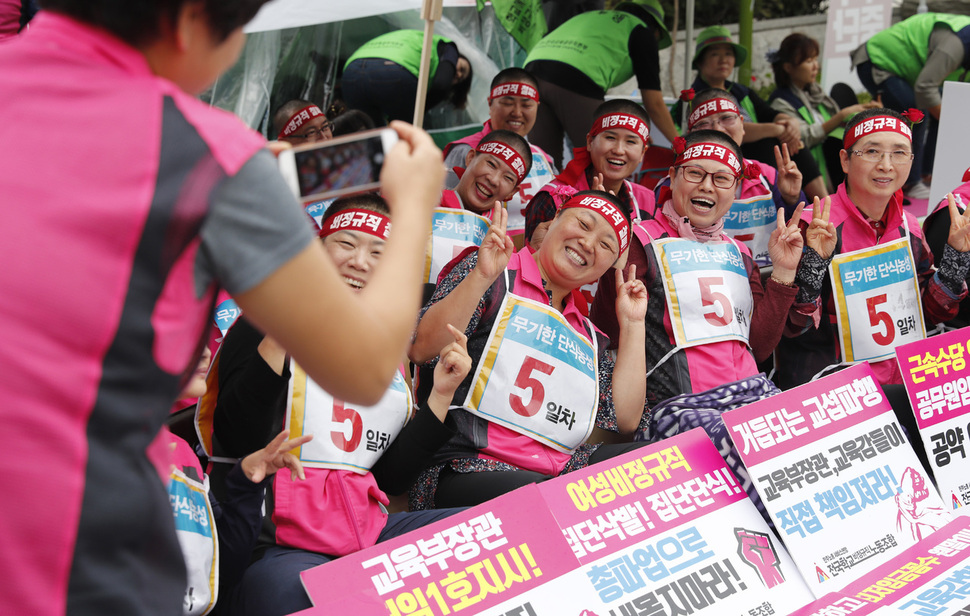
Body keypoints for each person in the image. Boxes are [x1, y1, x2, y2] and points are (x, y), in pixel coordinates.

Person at [0, 2, 444, 615]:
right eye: (238, 31)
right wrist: (416, 206)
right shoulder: (212, 158)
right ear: (187, 22)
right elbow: (366, 368)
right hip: (72, 546)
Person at [208, 195, 470, 616]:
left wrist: (440, 394)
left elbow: (389, 477)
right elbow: (235, 434)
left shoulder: (388, 349)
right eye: (346, 244)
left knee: (483, 534)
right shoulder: (262, 320)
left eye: (379, 254)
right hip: (278, 539)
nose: (360, 262)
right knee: (288, 593)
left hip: (367, 526)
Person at [589, 129, 812, 512]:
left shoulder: (738, 251)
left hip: (750, 394)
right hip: (677, 407)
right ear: (672, 177)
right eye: (694, 174)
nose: (706, 186)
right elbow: (607, 331)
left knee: (810, 437)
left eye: (720, 178)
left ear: (736, 190)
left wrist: (785, 273)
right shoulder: (638, 243)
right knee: (748, 456)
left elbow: (757, 346)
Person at [408, 195, 650, 510]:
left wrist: (632, 325)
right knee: (555, 497)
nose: (589, 243)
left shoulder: (589, 336)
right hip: (464, 465)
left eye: (606, 245)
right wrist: (481, 276)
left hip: (559, 468)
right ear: (554, 221)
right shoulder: (494, 273)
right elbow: (423, 349)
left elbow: (625, 420)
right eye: (583, 224)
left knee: (650, 464)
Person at [778, 108, 970, 390]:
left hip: (905, 381)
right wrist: (814, 264)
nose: (886, 165)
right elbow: (793, 326)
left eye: (899, 153)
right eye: (871, 151)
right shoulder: (813, 226)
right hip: (834, 389)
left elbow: (929, 315)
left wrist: (956, 258)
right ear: (845, 160)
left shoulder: (909, 227)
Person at [165, 348, 311, 616]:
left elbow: (222, 570)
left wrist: (247, 483)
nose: (206, 351)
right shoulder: (88, 457)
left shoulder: (180, 449)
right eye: (186, 336)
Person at [659, 88, 804, 268]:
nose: (718, 129)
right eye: (704, 123)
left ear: (742, 125)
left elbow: (798, 235)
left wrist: (791, 198)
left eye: (727, 118)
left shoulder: (768, 175)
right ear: (692, 133)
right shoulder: (678, 182)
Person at [523, 0, 678, 167]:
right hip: (574, 77)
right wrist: (681, 144)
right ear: (655, 28)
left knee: (544, 164)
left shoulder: (593, 17)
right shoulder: (641, 31)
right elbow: (654, 103)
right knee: (600, 163)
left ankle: (547, 192)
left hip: (530, 72)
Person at [671, 26, 819, 198]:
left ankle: (823, 201)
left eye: (728, 54)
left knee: (794, 145)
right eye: (715, 54)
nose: (723, 60)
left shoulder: (741, 91)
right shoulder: (691, 100)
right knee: (768, 143)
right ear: (700, 61)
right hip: (722, 160)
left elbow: (770, 113)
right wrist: (775, 129)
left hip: (757, 158)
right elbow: (722, 133)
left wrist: (790, 123)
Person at [851, 13, 970, 198]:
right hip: (878, 60)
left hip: (911, 74)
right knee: (917, 113)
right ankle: (912, 182)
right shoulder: (954, 46)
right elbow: (924, 88)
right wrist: (952, 125)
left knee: (945, 109)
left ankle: (929, 174)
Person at [442, 68, 558, 242]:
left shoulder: (544, 158)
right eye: (507, 102)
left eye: (526, 104)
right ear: (490, 103)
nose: (517, 112)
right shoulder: (464, 150)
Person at [525, 99, 657, 249]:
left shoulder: (648, 201)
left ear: (642, 153)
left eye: (631, 142)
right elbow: (534, 264)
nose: (619, 150)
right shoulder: (554, 198)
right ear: (589, 142)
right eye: (610, 138)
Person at [770, 33, 877, 194]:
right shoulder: (780, 102)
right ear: (788, 67)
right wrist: (840, 116)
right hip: (813, 174)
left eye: (815, 59)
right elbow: (803, 137)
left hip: (836, 165)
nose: (815, 66)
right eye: (808, 61)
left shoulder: (815, 93)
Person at [428, 130, 532, 286]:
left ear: (512, 192)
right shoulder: (422, 203)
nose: (494, 179)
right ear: (470, 158)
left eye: (508, 178)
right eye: (491, 164)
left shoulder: (503, 245)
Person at [341, 29, 472, 126]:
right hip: (393, 71)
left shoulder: (414, 40)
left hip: (351, 73)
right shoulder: (449, 47)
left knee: (374, 138)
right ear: (457, 57)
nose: (458, 74)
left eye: (460, 79)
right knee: (405, 136)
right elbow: (441, 86)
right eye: (461, 68)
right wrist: (418, 109)